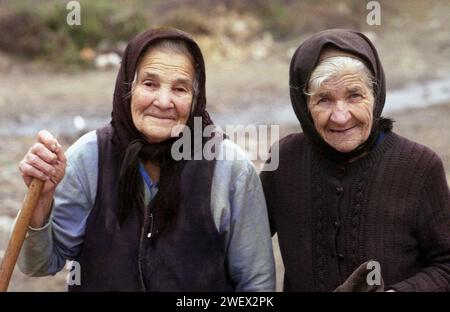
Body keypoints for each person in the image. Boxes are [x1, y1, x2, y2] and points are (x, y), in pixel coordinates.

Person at [17, 28, 275, 291]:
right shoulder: (89, 156)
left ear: (196, 98)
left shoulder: (229, 168)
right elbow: (40, 265)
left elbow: (256, 284)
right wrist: (41, 203)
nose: (163, 102)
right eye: (149, 84)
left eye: (180, 88)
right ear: (128, 86)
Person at [260, 29, 450, 292]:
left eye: (354, 96)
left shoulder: (419, 166)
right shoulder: (284, 161)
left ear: (375, 95)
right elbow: (237, 241)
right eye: (323, 99)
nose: (340, 116)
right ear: (304, 106)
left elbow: (446, 264)